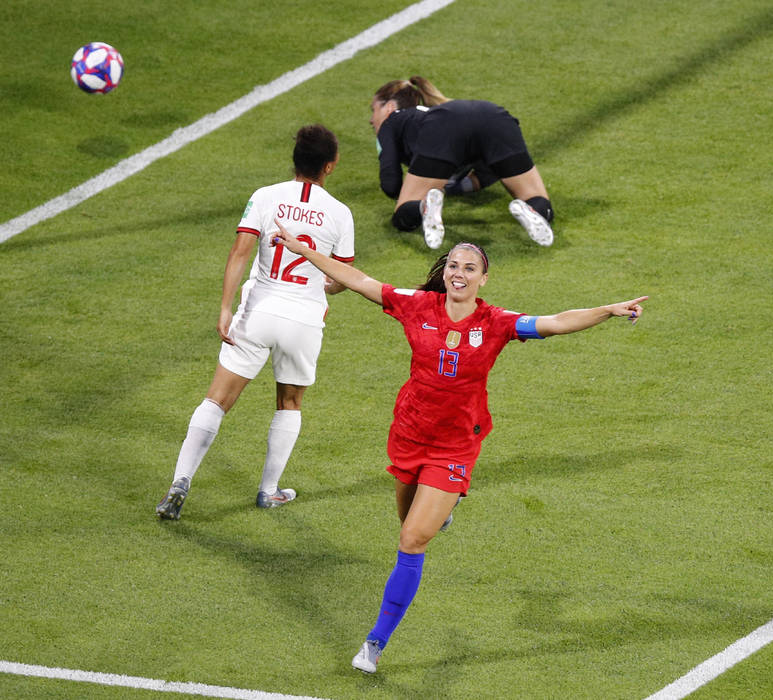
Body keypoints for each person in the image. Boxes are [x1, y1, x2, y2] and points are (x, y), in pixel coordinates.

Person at [271, 223, 646, 673]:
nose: (459, 273)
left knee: (411, 539)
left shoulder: (497, 323)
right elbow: (358, 280)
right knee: (406, 518)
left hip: (453, 447)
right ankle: (439, 509)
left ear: (483, 278)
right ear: (444, 271)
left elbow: (557, 322)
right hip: (409, 435)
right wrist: (300, 249)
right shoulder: (417, 305)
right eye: (453, 265)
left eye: (470, 268)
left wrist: (608, 310)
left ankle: (374, 643)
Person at [156, 124, 354, 519]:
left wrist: (226, 307)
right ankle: (268, 491)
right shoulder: (340, 213)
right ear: (330, 166)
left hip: (258, 312)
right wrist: (323, 288)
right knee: (290, 403)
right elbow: (340, 278)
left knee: (217, 400)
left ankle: (180, 482)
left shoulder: (266, 197)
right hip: (303, 322)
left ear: (294, 160)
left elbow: (239, 253)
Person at [369, 76, 556, 250]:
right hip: (496, 116)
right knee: (536, 197)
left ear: (389, 107)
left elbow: (390, 184)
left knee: (402, 216)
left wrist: (420, 192)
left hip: (445, 130)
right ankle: (534, 211)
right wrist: (458, 186)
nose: (371, 120)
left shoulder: (392, 121)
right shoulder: (437, 113)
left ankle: (424, 207)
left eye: (374, 110)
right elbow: (491, 168)